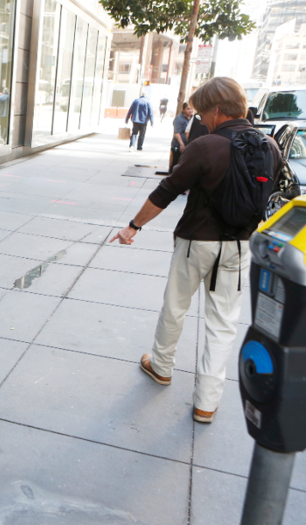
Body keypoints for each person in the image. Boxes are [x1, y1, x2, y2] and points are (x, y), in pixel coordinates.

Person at [110, 78, 282, 424]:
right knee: (222, 323)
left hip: (196, 242)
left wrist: (133, 225)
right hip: (239, 245)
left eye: (203, 112)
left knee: (176, 306)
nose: (202, 118)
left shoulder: (206, 146)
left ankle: (161, 366)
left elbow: (167, 190)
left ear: (217, 109)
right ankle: (206, 402)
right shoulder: (269, 147)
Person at [170, 102, 193, 173]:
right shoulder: (179, 119)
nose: (190, 110)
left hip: (188, 145)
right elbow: (177, 133)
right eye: (188, 109)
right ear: (183, 110)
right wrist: (181, 144)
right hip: (179, 146)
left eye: (191, 108)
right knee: (176, 164)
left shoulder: (193, 118)